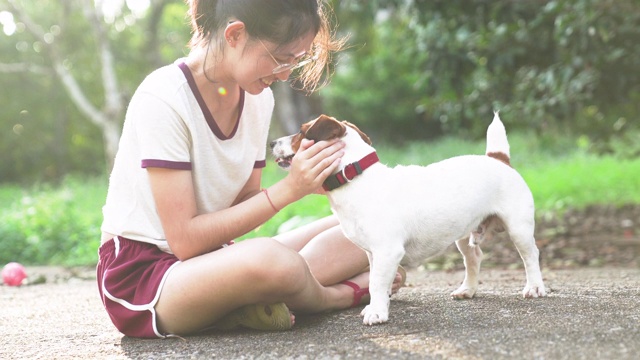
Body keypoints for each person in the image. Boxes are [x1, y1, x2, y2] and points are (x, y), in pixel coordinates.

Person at [97, 0, 404, 339]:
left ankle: (259, 299)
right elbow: (184, 241)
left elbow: (243, 204)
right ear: (235, 35)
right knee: (270, 260)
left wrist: (316, 180)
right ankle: (335, 295)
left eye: (297, 60)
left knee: (366, 222)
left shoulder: (258, 98)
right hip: (146, 280)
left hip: (213, 262)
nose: (287, 73)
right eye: (282, 57)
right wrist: (289, 190)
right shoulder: (165, 98)